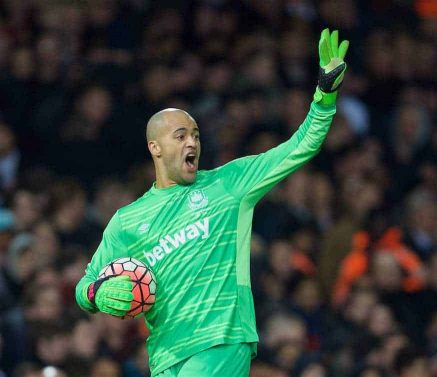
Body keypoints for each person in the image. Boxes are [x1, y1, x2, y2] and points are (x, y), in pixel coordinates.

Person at [74, 29, 349, 377]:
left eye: (196, 135)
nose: (192, 142)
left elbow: (298, 147)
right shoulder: (127, 221)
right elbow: (85, 284)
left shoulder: (228, 184)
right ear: (154, 148)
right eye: (181, 136)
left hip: (221, 339)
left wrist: (324, 98)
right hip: (165, 356)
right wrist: (97, 293)